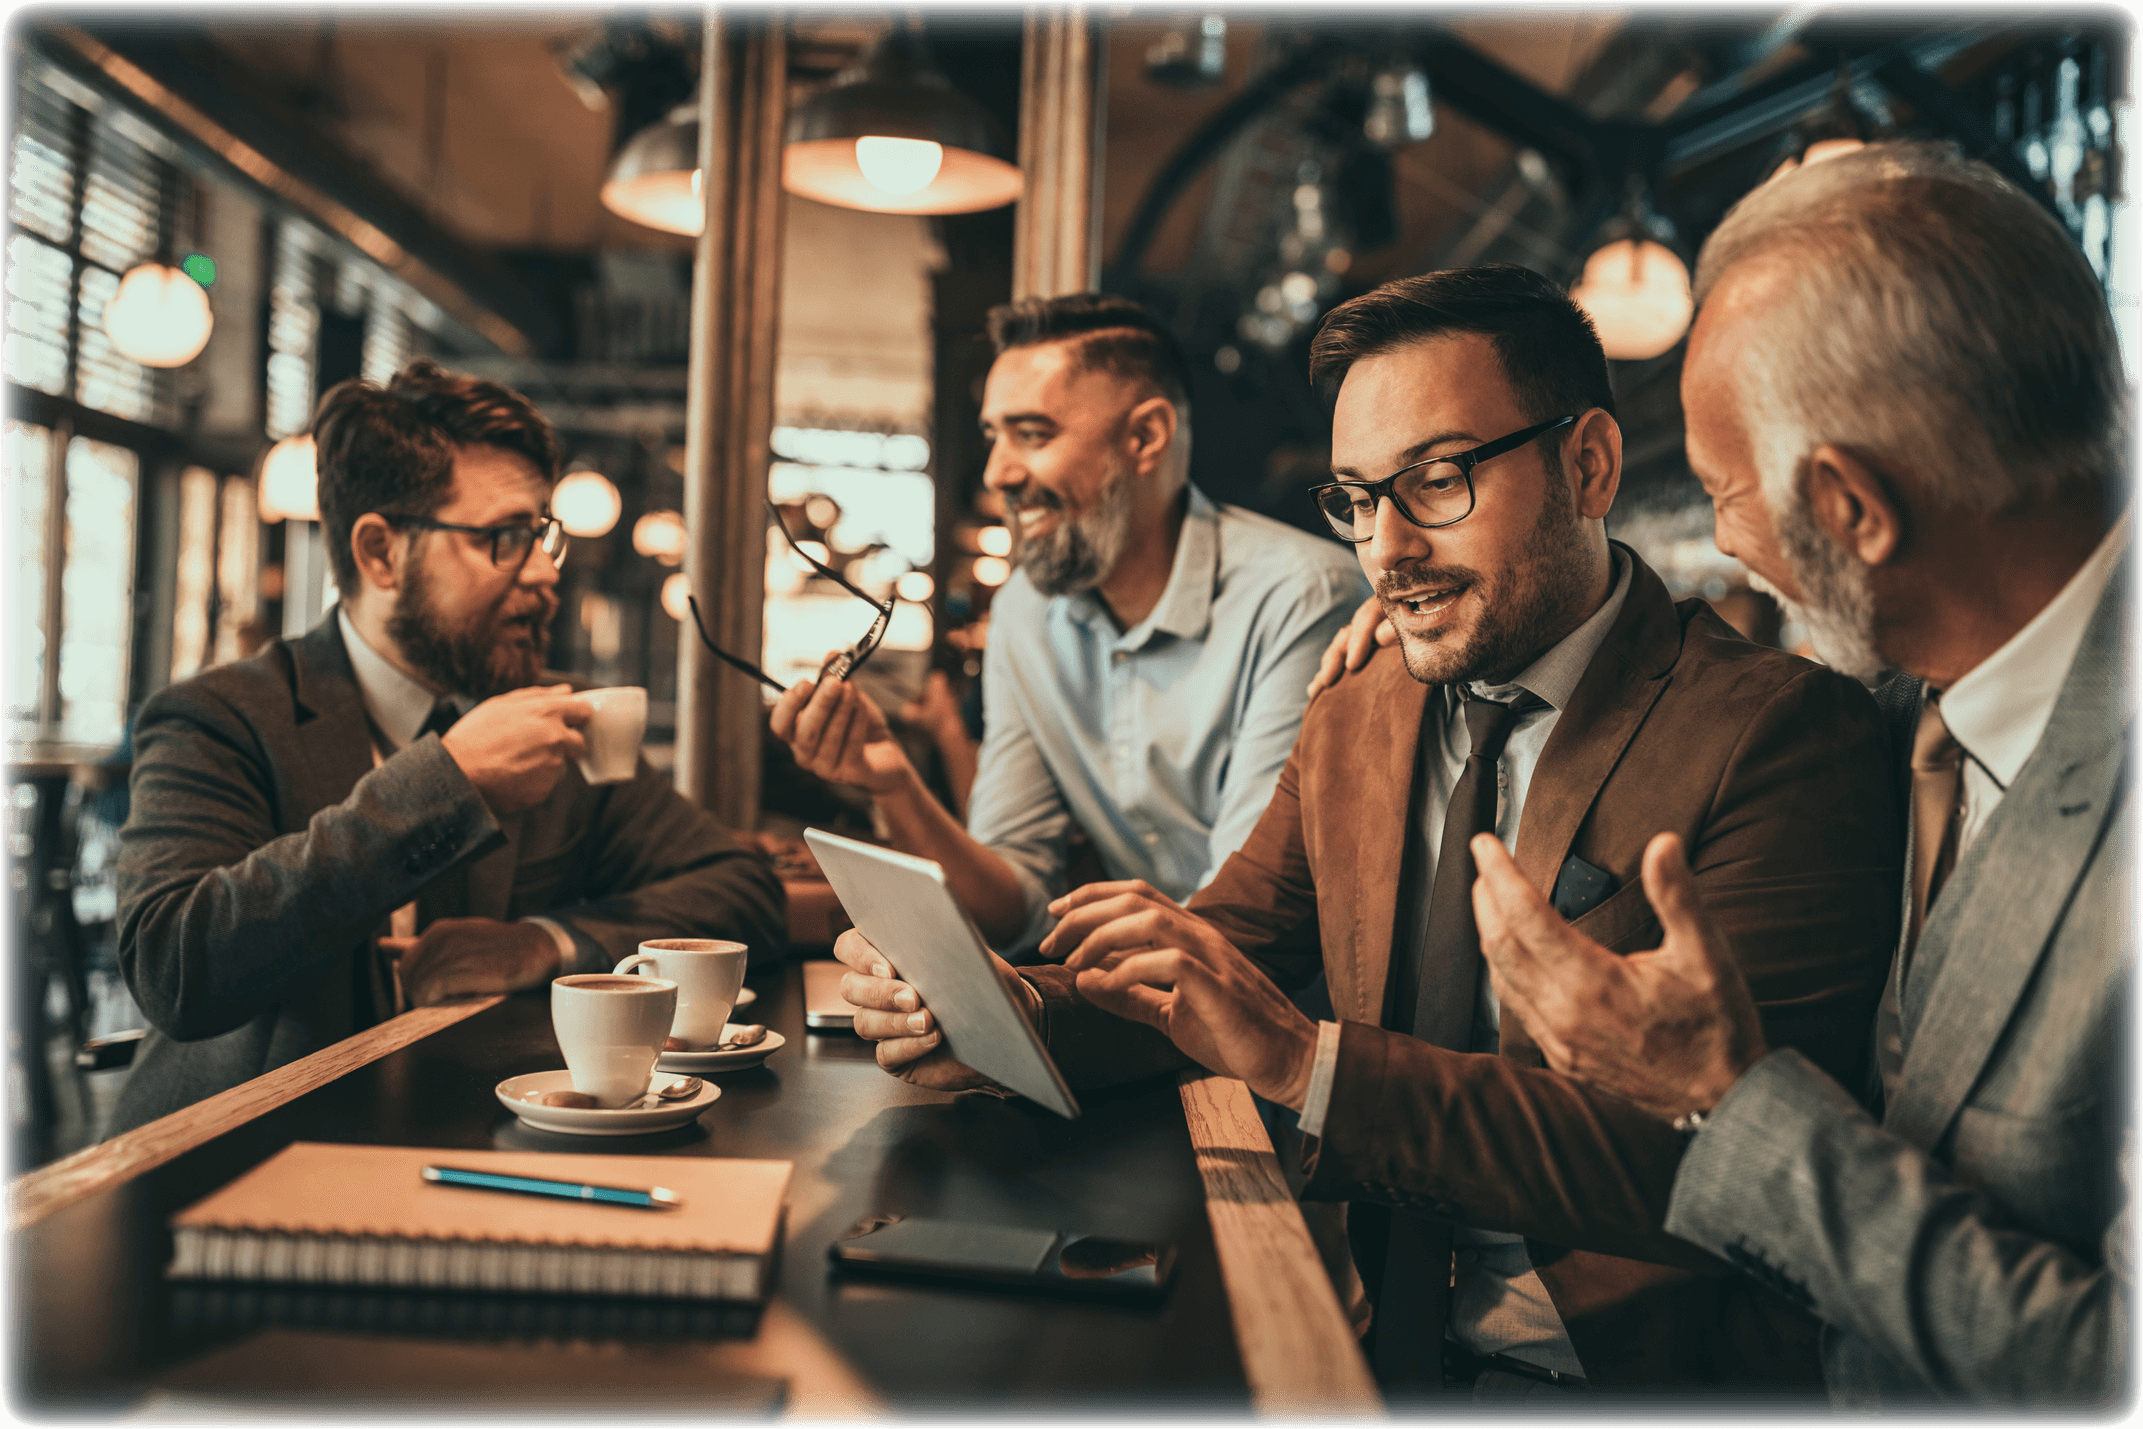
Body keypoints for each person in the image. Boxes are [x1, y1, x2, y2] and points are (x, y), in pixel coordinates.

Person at [831, 266, 1905, 1402]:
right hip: (1366, 1345)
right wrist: (1002, 1015)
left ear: (1586, 465)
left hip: (1626, 1381)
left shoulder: (1778, 731)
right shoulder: (1361, 706)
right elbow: (1216, 961)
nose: (1385, 548)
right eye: (1354, 498)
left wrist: (1307, 1062)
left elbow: (1720, 1169)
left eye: (1435, 481)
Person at [1469, 143, 2136, 1415]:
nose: (1720, 540)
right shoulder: (1922, 692)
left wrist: (1722, 1101)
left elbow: (2119, 1370)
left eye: (1726, 492)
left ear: (1850, 507)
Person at [111, 361, 785, 1134]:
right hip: (224, 1160)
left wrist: (545, 943)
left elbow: (743, 892)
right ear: (379, 553)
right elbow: (176, 969)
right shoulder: (221, 717)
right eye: (503, 538)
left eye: (541, 535)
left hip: (475, 1138)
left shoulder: (555, 720)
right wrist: (449, 785)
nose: (542, 573)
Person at [772, 294, 1366, 955]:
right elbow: (1014, 904)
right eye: (995, 434)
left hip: (1283, 1021)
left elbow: (1246, 922)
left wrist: (1044, 1012)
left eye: (1032, 434)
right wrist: (892, 783)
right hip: (1137, 1006)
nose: (998, 471)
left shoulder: (1301, 598)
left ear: (1145, 437)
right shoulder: (1027, 609)